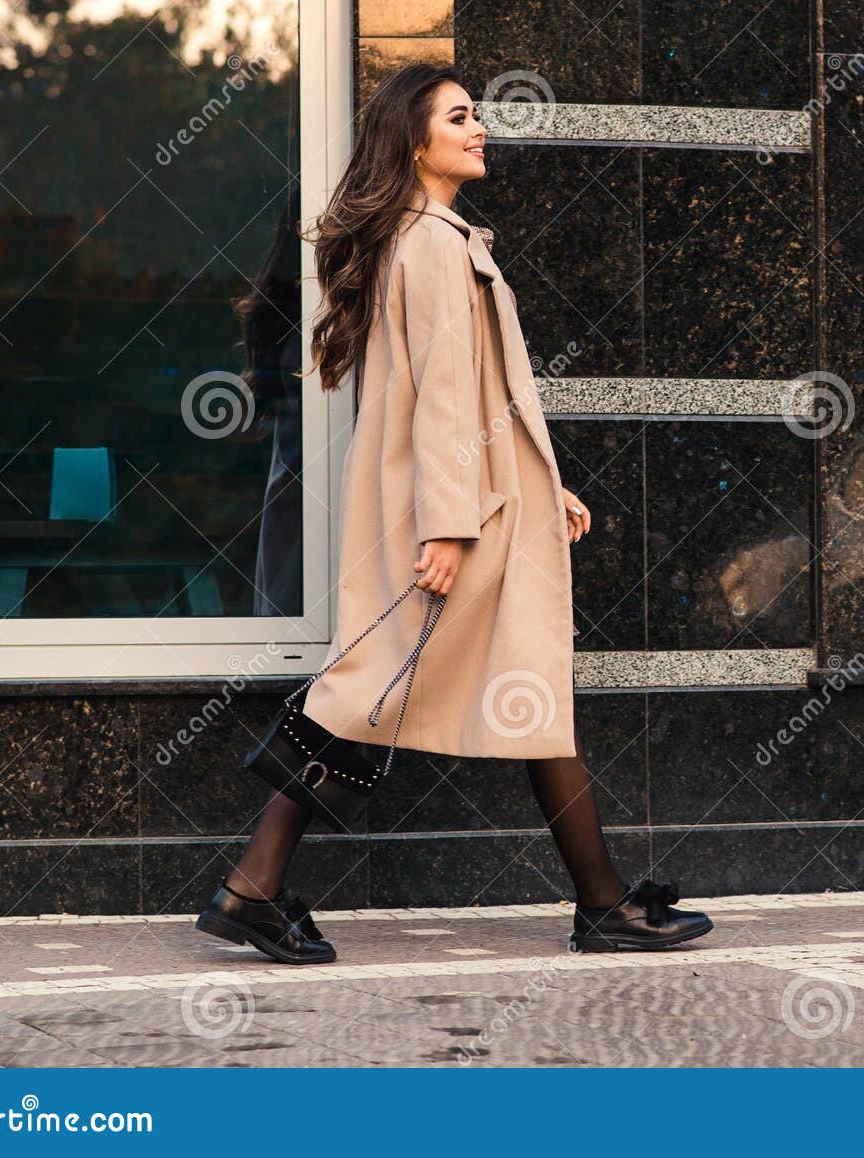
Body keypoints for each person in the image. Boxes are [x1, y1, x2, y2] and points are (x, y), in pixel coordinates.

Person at [195, 64, 712, 963]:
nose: (481, 128)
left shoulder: (430, 236)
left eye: (478, 115)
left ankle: (601, 901)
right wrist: (448, 525)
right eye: (461, 117)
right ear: (417, 139)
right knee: (369, 695)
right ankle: (251, 888)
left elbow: (479, 395)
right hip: (457, 520)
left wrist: (539, 483)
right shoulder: (430, 243)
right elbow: (441, 397)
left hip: (483, 504)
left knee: (520, 695)